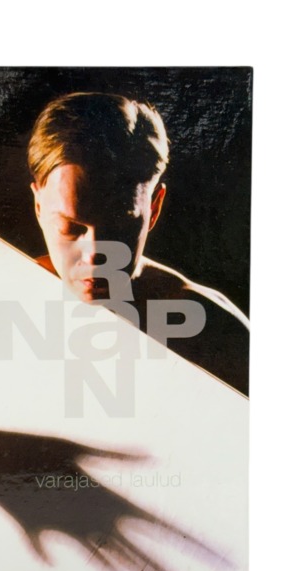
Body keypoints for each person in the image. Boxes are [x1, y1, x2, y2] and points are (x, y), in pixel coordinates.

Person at [28, 92, 250, 396]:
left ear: (154, 208)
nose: (96, 254)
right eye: (71, 227)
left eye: (118, 227)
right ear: (38, 206)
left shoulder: (218, 335)